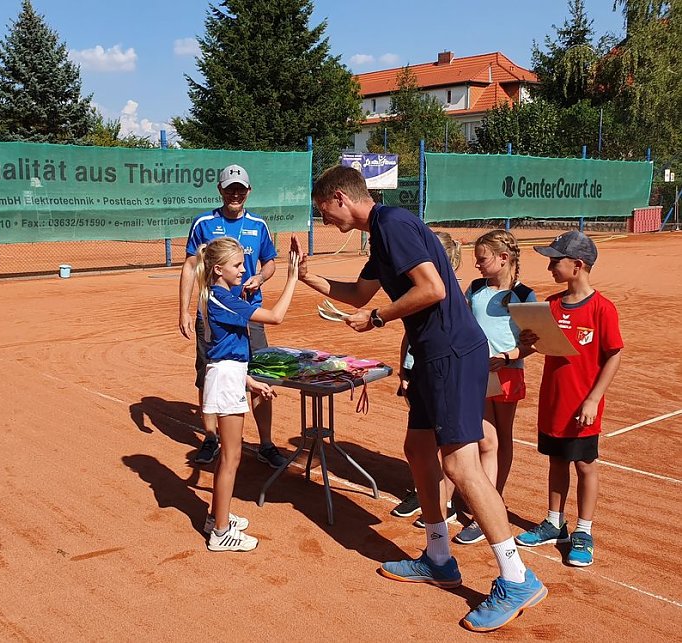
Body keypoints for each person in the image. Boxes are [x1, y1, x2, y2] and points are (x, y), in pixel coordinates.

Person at [295, 165, 546, 632]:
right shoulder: (381, 236)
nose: (324, 219)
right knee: (417, 450)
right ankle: (437, 556)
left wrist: (379, 319)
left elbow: (430, 288)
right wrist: (309, 277)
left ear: (339, 199)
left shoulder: (393, 224)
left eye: (322, 211)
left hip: (451, 351)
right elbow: (358, 293)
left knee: (461, 466)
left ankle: (517, 577)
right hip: (433, 357)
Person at [515, 231, 623, 567]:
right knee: (557, 461)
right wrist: (526, 342)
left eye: (555, 260)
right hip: (553, 401)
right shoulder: (551, 304)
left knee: (585, 465)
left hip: (582, 406)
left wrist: (593, 399)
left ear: (577, 266)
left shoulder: (602, 309)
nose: (549, 266)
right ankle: (554, 522)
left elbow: (613, 355)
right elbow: (537, 347)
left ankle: (584, 530)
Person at [178, 165, 288, 469]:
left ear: (248, 191)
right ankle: (211, 438)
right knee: (209, 371)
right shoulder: (204, 223)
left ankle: (266, 443)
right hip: (213, 313)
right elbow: (189, 266)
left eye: (240, 188)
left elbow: (270, 264)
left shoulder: (259, 225)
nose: (235, 194)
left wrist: (260, 279)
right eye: (230, 188)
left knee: (259, 374)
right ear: (220, 190)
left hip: (250, 312)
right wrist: (185, 310)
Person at [196, 237, 300, 551]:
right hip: (226, 378)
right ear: (218, 269)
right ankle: (221, 533)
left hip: (230, 375)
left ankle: (218, 517)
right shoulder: (223, 298)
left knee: (229, 456)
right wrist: (292, 278)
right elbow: (276, 316)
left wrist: (249, 382)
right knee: (231, 457)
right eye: (238, 265)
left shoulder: (221, 295)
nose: (244, 270)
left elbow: (227, 350)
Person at [454, 230, 537, 545]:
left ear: (504, 258)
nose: (477, 265)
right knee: (485, 441)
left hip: (506, 374)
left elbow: (536, 341)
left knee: (501, 437)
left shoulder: (525, 295)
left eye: (482, 259)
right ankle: (485, 502)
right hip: (474, 374)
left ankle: (491, 502)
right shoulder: (474, 288)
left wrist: (507, 357)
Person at [392, 232, 460, 528]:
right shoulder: (419, 288)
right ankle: (424, 491)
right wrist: (404, 367)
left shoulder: (443, 294)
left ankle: (445, 503)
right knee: (420, 442)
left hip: (440, 371)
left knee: (443, 442)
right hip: (416, 369)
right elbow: (410, 334)